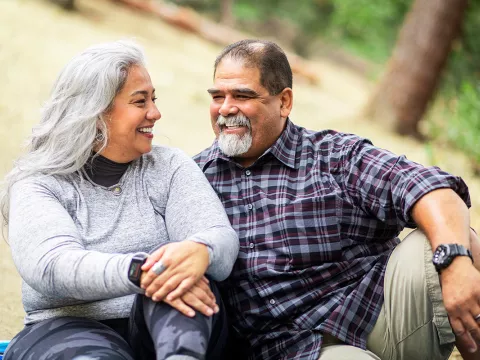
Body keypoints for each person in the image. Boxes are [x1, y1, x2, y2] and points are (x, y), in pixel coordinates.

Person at [194, 39, 480, 360]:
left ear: (284, 102)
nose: (225, 108)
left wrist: (455, 262)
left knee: (455, 241)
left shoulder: (334, 156)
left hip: (381, 315)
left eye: (242, 96)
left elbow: (430, 188)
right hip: (296, 350)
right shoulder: (195, 180)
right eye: (218, 96)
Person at [1, 40, 239, 360]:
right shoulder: (38, 184)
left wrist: (201, 251)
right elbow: (50, 266)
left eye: (153, 99)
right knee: (167, 275)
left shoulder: (169, 166)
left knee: (179, 279)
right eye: (140, 101)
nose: (155, 113)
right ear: (96, 112)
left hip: (173, 327)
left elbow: (219, 237)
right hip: (66, 329)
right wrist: (141, 271)